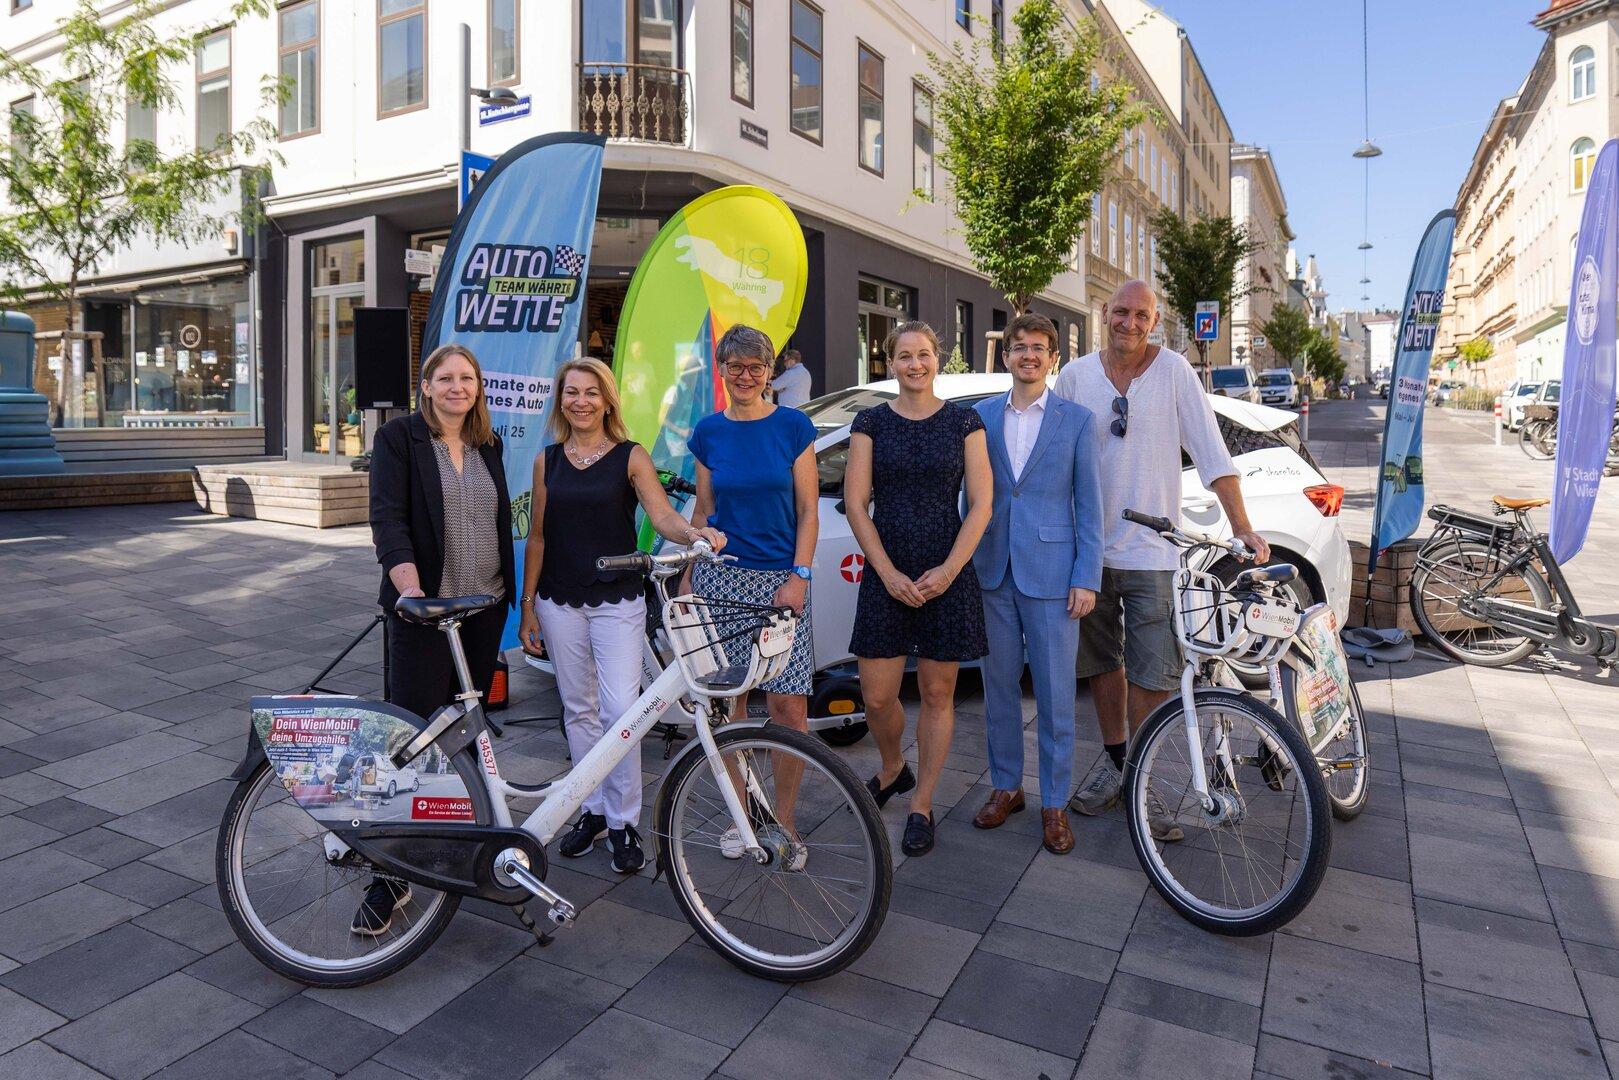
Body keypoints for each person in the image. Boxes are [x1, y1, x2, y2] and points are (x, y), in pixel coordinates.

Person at [1054, 280, 1271, 840]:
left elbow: (1210, 452)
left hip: (1153, 551)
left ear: (1156, 321)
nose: (1128, 322)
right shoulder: (1076, 377)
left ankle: (1145, 779)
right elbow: (1052, 461)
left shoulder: (1174, 371)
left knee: (1154, 673)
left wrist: (1242, 524)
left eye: (1140, 315)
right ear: (1105, 313)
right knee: (1100, 663)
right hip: (1088, 553)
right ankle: (1117, 760)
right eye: (1120, 312)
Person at [517, 358, 725, 875]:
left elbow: (663, 516)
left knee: (620, 714)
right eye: (571, 393)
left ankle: (624, 820)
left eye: (591, 392)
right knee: (578, 710)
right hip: (558, 598)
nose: (581, 401)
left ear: (607, 400)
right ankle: (589, 811)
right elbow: (538, 535)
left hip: (617, 600)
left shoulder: (631, 457)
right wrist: (528, 606)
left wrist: (696, 535)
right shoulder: (548, 460)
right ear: (561, 400)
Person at [367, 342, 517, 935]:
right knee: (408, 735)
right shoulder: (400, 439)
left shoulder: (489, 445)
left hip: (481, 608)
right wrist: (411, 592)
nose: (458, 387)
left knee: (461, 732)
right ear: (425, 386)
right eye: (446, 378)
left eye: (468, 378)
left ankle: (453, 842)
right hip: (424, 613)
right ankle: (391, 872)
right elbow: (388, 518)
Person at [845, 320, 993, 857]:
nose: (915, 364)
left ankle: (922, 803)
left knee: (937, 693)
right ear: (890, 362)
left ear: (938, 359)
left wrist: (950, 571)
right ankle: (892, 767)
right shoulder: (870, 423)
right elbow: (858, 505)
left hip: (945, 570)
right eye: (904, 356)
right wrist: (884, 572)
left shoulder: (963, 422)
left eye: (924, 354)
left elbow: (981, 504)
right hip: (887, 570)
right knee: (878, 696)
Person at [970, 312, 1102, 855]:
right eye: (1019, 346)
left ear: (1053, 358)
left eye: (1038, 348)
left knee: (1054, 695)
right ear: (1006, 356)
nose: (1028, 355)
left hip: (1053, 574)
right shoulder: (978, 417)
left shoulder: (1077, 420)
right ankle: (1006, 788)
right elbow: (971, 498)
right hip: (993, 569)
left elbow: (1089, 505)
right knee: (997, 688)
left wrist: (1086, 577)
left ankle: (1054, 801)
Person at [688, 324, 819, 867]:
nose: (745, 376)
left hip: (779, 580)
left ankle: (783, 822)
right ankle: (744, 819)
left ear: (771, 373)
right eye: (735, 366)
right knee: (730, 708)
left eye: (756, 367)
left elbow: (809, 511)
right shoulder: (708, 432)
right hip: (721, 582)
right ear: (721, 370)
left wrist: (800, 576)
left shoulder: (793, 426)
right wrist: (690, 573)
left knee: (788, 706)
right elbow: (702, 511)